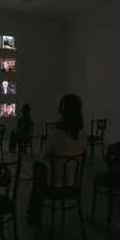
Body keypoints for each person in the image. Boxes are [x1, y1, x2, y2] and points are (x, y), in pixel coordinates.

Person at [26, 94, 86, 225]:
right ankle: (32, 212)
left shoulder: (55, 134)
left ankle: (34, 213)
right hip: (73, 186)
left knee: (37, 167)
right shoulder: (83, 134)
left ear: (62, 112)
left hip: (54, 187)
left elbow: (44, 157)